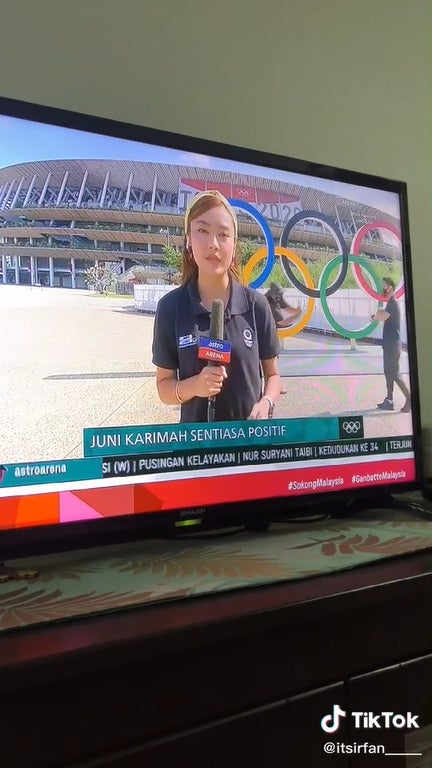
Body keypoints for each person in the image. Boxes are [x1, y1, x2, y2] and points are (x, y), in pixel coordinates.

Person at [152, 190, 281, 422]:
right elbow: (164, 387)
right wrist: (195, 386)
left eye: (223, 235)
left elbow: (273, 376)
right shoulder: (170, 307)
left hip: (250, 445)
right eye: (202, 231)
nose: (213, 244)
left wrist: (266, 402)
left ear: (233, 246)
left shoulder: (257, 305)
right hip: (196, 450)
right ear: (189, 241)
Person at [371, 276, 411, 413]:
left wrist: (377, 314)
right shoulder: (390, 304)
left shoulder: (393, 304)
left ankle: (410, 399)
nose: (384, 291)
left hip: (393, 345)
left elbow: (381, 317)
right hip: (389, 344)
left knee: (395, 374)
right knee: (389, 372)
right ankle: (389, 400)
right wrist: (377, 315)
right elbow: (380, 317)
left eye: (386, 288)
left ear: (392, 289)